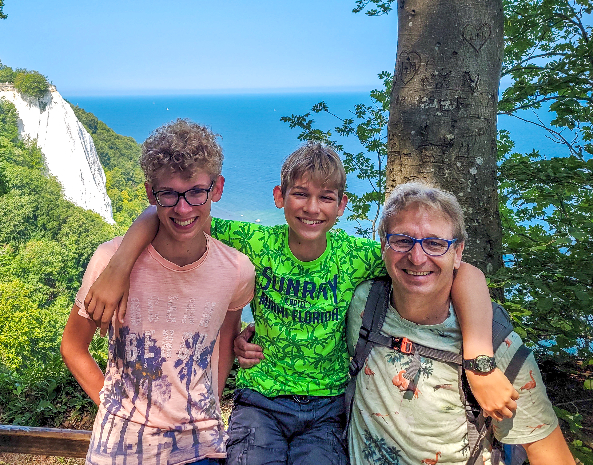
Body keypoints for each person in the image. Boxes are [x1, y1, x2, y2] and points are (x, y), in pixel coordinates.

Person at [84, 142, 515, 465]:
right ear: (279, 197)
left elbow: (465, 273)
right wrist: (119, 267)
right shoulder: (257, 242)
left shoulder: (357, 255)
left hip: (327, 407)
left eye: (326, 197)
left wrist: (480, 358)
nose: (312, 208)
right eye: (300, 194)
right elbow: (174, 214)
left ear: (342, 205)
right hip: (261, 399)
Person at [61, 119, 255, 465]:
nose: (183, 208)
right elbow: (74, 347)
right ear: (151, 194)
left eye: (197, 191)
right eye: (169, 194)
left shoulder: (236, 270)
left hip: (201, 447)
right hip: (117, 446)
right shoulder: (109, 261)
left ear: (218, 187)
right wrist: (113, 409)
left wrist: (208, 405)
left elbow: (224, 341)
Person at [346, 181, 574, 465]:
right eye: (403, 240)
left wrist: (479, 362)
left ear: (459, 252)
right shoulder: (364, 302)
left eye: (435, 244)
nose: (417, 258)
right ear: (384, 245)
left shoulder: (496, 347)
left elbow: (550, 456)